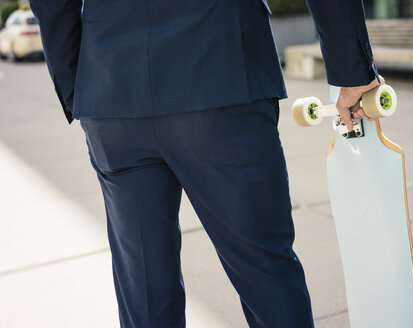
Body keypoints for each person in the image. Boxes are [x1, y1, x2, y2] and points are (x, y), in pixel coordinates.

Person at [30, 0, 381, 327]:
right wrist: (352, 69)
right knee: (265, 277)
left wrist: (81, 86)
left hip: (112, 90)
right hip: (221, 72)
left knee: (146, 294)